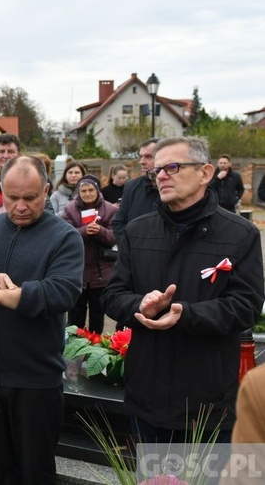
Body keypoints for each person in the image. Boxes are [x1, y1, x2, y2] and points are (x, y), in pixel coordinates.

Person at [101, 137, 264, 444]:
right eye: (157, 170)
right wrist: (140, 306)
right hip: (146, 396)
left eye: (172, 167)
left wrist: (186, 314)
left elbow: (247, 306)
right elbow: (112, 295)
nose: (160, 175)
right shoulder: (138, 230)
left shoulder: (240, 234)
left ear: (204, 173)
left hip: (207, 402)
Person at [0, 156, 84, 484]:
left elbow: (60, 293)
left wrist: (1, 297)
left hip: (35, 380)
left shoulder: (65, 237)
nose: (20, 206)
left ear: (47, 191)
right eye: (12, 197)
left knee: (35, 472)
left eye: (30, 198)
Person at [61, 174, 117, 334]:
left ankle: (94, 349)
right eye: (83, 190)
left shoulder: (110, 209)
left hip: (101, 273)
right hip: (77, 272)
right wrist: (84, 231)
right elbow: (66, 235)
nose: (87, 194)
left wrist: (101, 231)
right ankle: (74, 351)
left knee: (98, 315)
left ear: (97, 190)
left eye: (90, 190)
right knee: (75, 316)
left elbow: (115, 236)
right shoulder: (70, 209)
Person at [112, 138, 160, 239]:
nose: (141, 162)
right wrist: (130, 247)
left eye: (148, 157)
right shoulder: (131, 186)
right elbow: (118, 223)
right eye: (141, 156)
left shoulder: (174, 188)